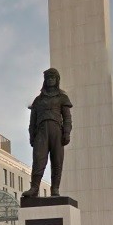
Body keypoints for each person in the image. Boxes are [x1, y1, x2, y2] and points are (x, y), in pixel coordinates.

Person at [23, 68, 72, 198]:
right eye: (48, 78)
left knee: (57, 161)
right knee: (38, 160)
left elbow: (67, 118)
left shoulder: (62, 98)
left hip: (57, 132)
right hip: (41, 132)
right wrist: (32, 136)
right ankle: (34, 188)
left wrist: (66, 132)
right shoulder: (38, 100)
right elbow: (32, 122)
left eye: (53, 78)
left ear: (57, 80)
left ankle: (55, 188)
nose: (50, 80)